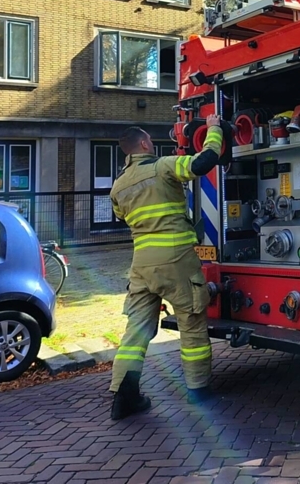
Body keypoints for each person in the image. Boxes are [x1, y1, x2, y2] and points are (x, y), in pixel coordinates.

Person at [108, 119, 223, 420]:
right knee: (192, 322)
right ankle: (198, 390)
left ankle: (124, 397)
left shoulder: (118, 185)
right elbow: (204, 162)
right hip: (176, 259)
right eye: (150, 140)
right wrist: (214, 129)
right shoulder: (163, 167)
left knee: (136, 332)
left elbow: (121, 217)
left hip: (141, 265)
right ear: (145, 145)